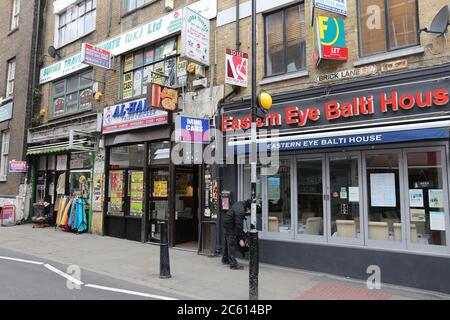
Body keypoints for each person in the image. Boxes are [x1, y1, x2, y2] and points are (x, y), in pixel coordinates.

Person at [222, 198, 251, 270]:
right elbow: (239, 225)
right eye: (250, 209)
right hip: (230, 226)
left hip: (226, 223)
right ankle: (233, 265)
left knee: (227, 243)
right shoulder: (241, 210)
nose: (250, 211)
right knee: (231, 244)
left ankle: (225, 259)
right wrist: (241, 239)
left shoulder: (240, 203)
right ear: (248, 207)